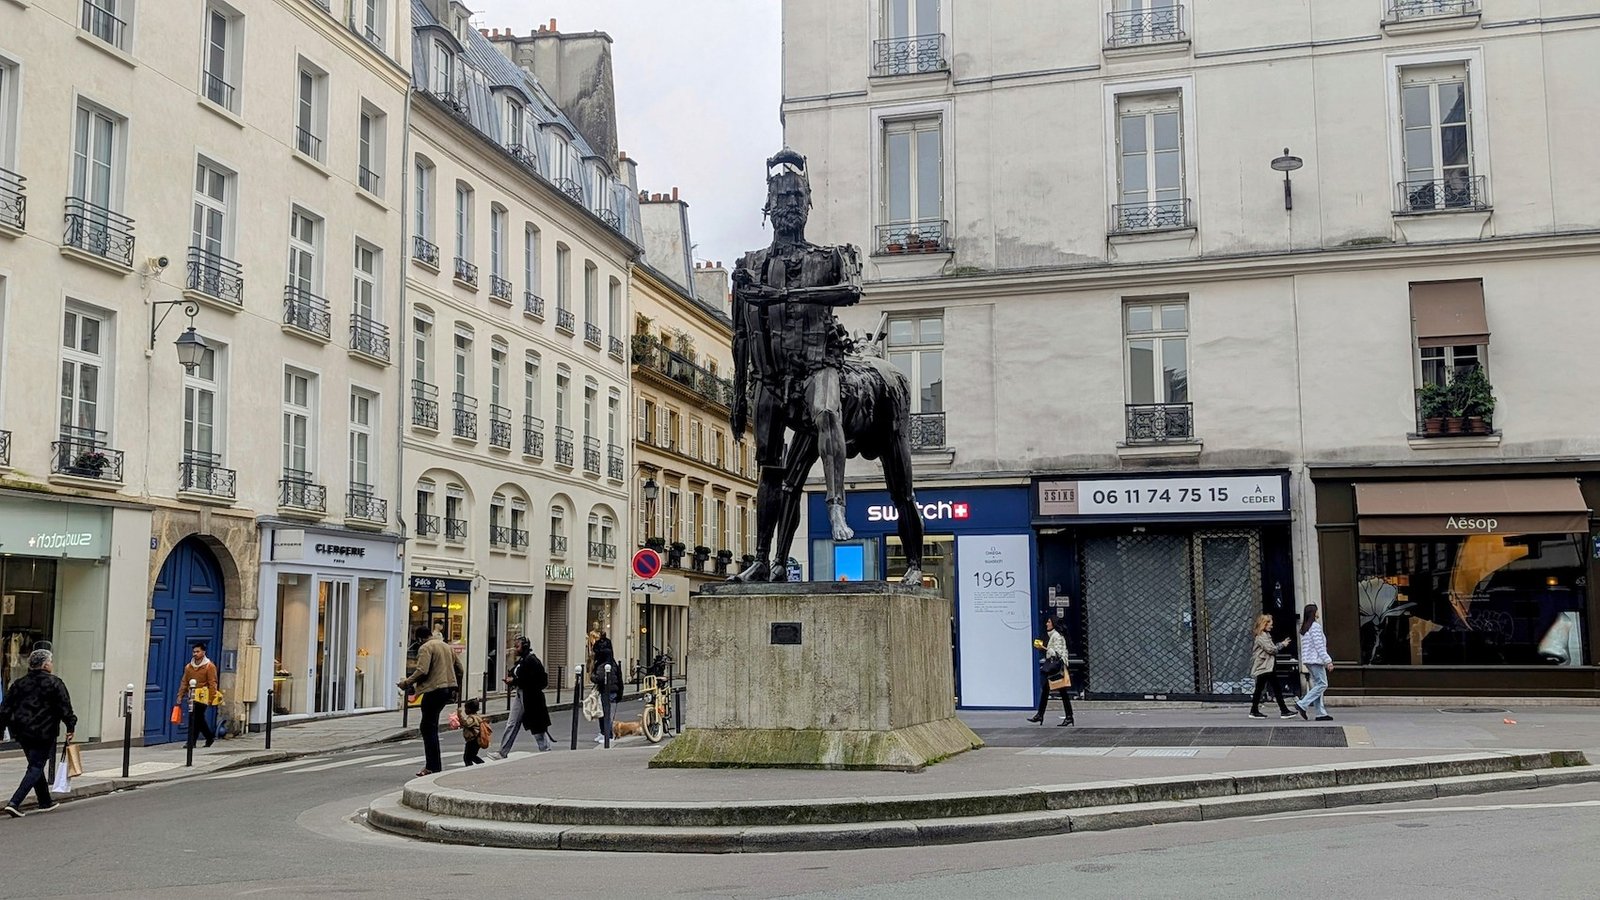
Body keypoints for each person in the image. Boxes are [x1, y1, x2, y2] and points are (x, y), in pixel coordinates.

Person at [0, 649, 76, 817]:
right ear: (45, 665)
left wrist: (2, 729)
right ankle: (14, 802)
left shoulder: (19, 684)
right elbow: (64, 707)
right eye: (51, 662)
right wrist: (70, 726)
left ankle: (45, 801)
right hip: (45, 731)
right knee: (36, 765)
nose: (52, 664)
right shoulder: (55, 683)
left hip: (22, 731)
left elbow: (5, 709)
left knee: (35, 764)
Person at [398, 624, 463, 776]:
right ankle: (435, 765)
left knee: (427, 727)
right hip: (447, 690)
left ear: (420, 638)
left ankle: (432, 766)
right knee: (431, 726)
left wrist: (407, 682)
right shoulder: (446, 646)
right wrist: (456, 688)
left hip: (433, 689)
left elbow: (422, 670)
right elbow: (460, 669)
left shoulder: (425, 647)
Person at [497, 636, 552, 757]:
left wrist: (515, 681)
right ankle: (502, 752)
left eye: (517, 646)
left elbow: (536, 680)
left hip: (531, 697)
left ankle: (546, 751)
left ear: (525, 647)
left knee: (537, 726)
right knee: (512, 723)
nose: (515, 649)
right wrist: (512, 680)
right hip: (521, 694)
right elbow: (520, 675)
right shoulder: (523, 660)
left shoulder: (532, 660)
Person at [1027, 617, 1074, 727]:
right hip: (1055, 668)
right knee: (1046, 690)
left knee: (1062, 692)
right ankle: (1040, 715)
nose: (1046, 624)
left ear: (1053, 623)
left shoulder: (1056, 636)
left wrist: (1043, 647)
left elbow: (1056, 653)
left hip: (1057, 668)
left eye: (1049, 622)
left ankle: (1068, 717)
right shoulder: (1053, 635)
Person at [1249, 615, 1296, 719]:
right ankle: (1283, 710)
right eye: (1270, 624)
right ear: (1264, 624)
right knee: (1274, 688)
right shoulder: (1261, 636)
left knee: (1262, 688)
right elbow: (1271, 649)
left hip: (1267, 665)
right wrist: (1282, 645)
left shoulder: (1265, 635)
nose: (1272, 626)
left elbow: (1272, 648)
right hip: (1265, 666)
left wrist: (1280, 644)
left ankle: (1254, 710)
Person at [1295, 603, 1335, 721]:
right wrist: (1328, 661)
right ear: (1313, 613)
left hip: (1308, 660)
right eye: (1317, 611)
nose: (1318, 613)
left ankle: (1320, 713)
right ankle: (1302, 704)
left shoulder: (1305, 627)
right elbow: (1319, 646)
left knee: (1318, 685)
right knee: (1323, 684)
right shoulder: (1315, 626)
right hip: (1315, 660)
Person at [180, 642, 219, 749]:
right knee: (197, 719)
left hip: (203, 696)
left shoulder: (209, 666)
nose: (195, 654)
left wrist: (211, 698)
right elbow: (184, 682)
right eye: (194, 652)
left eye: (197, 651)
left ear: (203, 652)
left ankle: (192, 742)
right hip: (192, 696)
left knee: (196, 717)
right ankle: (209, 737)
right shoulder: (189, 667)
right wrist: (180, 695)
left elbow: (212, 682)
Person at [590, 653, 622, 745]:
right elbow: (619, 678)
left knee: (605, 715)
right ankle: (604, 734)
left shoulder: (602, 665)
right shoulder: (613, 663)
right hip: (613, 691)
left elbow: (599, 678)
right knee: (605, 714)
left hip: (606, 692)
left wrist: (592, 675)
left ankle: (608, 736)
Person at [459, 698, 487, 766]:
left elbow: (466, 724)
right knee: (472, 756)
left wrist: (459, 716)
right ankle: (482, 765)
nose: (465, 710)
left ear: (469, 709)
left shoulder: (472, 718)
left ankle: (476, 766)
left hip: (473, 740)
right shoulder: (476, 716)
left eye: (466, 709)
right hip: (476, 740)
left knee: (467, 757)